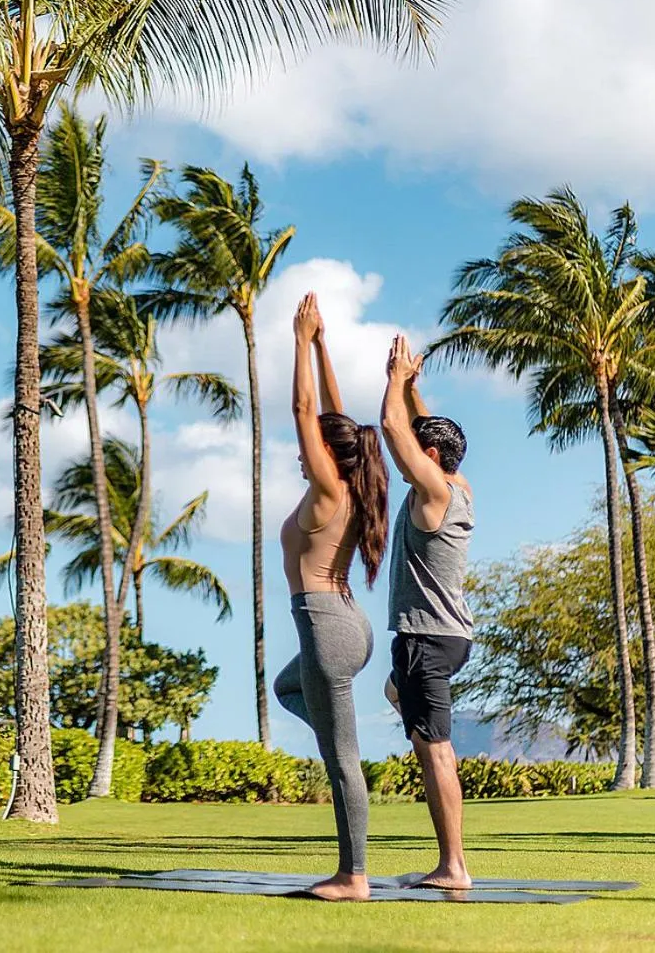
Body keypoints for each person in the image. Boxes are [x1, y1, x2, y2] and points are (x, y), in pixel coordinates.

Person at [274, 293, 390, 902]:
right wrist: (322, 346)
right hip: (347, 625)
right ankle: (354, 868)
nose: (303, 451)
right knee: (286, 691)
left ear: (328, 456)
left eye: (314, 447)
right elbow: (336, 417)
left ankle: (354, 876)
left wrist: (296, 340)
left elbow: (304, 409)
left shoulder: (327, 490)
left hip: (326, 629)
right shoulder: (355, 482)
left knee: (341, 757)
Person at [379, 334, 475, 890]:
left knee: (434, 748)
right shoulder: (460, 485)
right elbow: (422, 431)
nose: (410, 460)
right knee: (403, 698)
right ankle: (409, 708)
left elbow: (395, 432)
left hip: (425, 637)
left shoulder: (435, 490)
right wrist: (415, 389)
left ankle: (452, 866)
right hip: (451, 637)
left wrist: (393, 378)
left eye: (421, 453)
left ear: (432, 459)